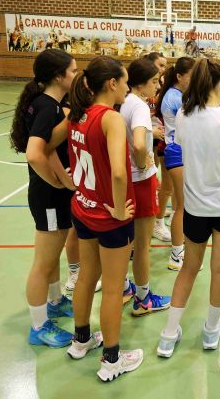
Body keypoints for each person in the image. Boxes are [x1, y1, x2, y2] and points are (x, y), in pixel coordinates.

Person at [157, 59, 220, 357]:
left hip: (195, 207)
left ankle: (169, 334)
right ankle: (210, 331)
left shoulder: (184, 114)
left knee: (188, 269)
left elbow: (183, 146)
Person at [66, 56, 143, 381]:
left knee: (86, 276)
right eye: (125, 81)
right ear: (111, 84)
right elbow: (116, 171)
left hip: (82, 209)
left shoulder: (77, 114)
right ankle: (112, 359)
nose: (127, 87)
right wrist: (114, 206)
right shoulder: (109, 118)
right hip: (107, 217)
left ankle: (81, 340)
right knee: (112, 289)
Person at [9, 49, 77, 348]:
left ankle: (55, 300)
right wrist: (55, 182)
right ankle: (38, 327)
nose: (75, 76)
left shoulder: (49, 103)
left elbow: (50, 151)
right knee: (43, 261)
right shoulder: (47, 107)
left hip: (54, 195)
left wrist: (62, 181)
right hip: (47, 197)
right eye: (73, 71)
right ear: (59, 76)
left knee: (54, 254)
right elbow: (36, 153)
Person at [119, 58, 172, 315]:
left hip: (124, 180)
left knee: (124, 241)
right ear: (141, 83)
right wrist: (142, 164)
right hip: (140, 180)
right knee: (141, 245)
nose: (158, 85)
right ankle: (143, 298)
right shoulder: (138, 106)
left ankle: (124, 287)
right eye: (154, 81)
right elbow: (139, 145)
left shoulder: (122, 103)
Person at [156, 57, 196, 270]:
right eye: (192, 76)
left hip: (174, 151)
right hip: (176, 152)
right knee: (181, 207)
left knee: (177, 199)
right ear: (179, 76)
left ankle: (177, 247)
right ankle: (177, 255)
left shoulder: (177, 94)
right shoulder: (176, 99)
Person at [144, 52, 173, 243]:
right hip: (146, 135)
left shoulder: (162, 86)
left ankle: (157, 213)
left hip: (157, 135)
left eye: (165, 65)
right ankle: (155, 221)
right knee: (150, 178)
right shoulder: (139, 89)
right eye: (160, 65)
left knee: (159, 179)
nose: (163, 69)